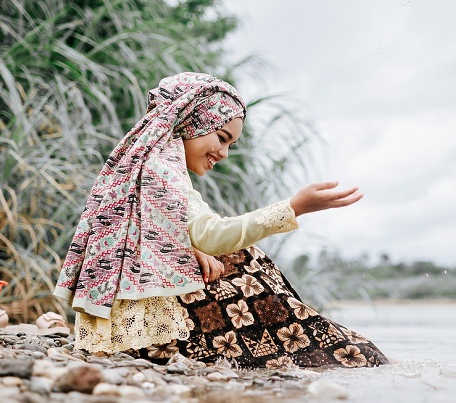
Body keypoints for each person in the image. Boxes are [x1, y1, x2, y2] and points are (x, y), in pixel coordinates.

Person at [54, 72, 389, 368]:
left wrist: (188, 250)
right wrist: (293, 207)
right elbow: (213, 235)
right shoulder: (164, 173)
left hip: (117, 331)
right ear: (192, 121)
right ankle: (330, 349)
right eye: (222, 138)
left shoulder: (141, 165)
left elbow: (142, 240)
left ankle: (325, 345)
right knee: (244, 259)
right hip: (149, 339)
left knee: (222, 256)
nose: (224, 154)